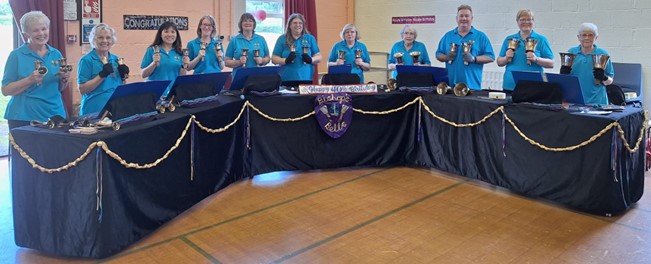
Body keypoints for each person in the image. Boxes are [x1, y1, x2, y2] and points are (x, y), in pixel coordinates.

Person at [1, 11, 68, 129]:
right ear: (26, 34)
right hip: (24, 117)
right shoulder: (16, 55)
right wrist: (30, 79)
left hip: (54, 114)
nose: (41, 33)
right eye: (35, 30)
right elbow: (6, 90)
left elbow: (59, 88)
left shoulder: (56, 54)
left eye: (44, 29)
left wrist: (64, 79)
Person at [436, 4, 495, 90]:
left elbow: (490, 57)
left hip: (472, 87)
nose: (464, 18)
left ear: (471, 19)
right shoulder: (448, 36)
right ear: (456, 19)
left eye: (467, 16)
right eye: (461, 16)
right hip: (450, 87)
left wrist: (474, 59)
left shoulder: (481, 36)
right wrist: (446, 57)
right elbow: (438, 54)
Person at [77, 23, 129, 116]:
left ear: (112, 40)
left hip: (115, 109)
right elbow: (83, 89)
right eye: (100, 37)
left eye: (108, 38)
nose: (105, 41)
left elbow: (120, 87)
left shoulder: (116, 59)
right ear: (93, 39)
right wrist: (102, 75)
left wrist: (123, 77)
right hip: (94, 111)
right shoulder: (86, 60)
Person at [496, 9, 554, 91]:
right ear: (517, 22)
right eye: (522, 19)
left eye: (529, 19)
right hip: (511, 85)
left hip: (534, 85)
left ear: (533, 21)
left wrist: (536, 59)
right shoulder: (509, 39)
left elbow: (551, 63)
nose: (526, 22)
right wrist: (506, 57)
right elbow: (499, 62)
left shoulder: (541, 40)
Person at [560, 23, 614, 105]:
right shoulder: (571, 53)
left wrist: (604, 77)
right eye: (583, 35)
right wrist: (563, 74)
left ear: (596, 37)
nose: (587, 38)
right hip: (575, 101)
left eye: (590, 35)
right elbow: (564, 80)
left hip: (598, 102)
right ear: (578, 37)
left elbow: (610, 81)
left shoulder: (603, 54)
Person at [272, 13, 321, 86]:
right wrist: (285, 60)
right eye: (295, 23)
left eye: (300, 23)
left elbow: (319, 57)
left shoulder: (310, 38)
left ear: (303, 25)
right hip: (286, 78)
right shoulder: (282, 39)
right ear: (289, 25)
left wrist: (311, 59)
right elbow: (274, 59)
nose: (298, 25)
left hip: (305, 77)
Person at [140, 21, 187, 95]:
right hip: (154, 93)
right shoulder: (152, 50)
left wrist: (184, 66)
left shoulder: (180, 53)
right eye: (166, 31)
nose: (169, 34)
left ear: (176, 35)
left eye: (172, 32)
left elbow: (182, 77)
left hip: (173, 94)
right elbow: (143, 74)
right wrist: (154, 63)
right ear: (160, 34)